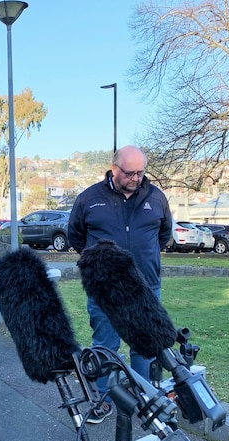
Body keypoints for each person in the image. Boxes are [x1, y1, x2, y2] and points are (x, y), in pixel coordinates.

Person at [68, 145, 172, 423]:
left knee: (145, 344)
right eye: (129, 173)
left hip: (146, 286)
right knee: (105, 344)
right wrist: (100, 265)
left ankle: (142, 395)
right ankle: (102, 399)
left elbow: (163, 236)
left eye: (140, 172)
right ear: (114, 169)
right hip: (105, 288)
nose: (136, 178)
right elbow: (76, 237)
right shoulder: (89, 199)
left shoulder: (157, 198)